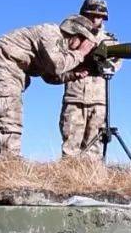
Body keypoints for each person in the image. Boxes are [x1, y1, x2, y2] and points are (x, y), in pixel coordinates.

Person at [0, 17, 98, 156]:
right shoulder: (50, 33)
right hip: (1, 71)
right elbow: (56, 66)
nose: (82, 46)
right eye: (83, 41)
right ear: (75, 34)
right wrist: (81, 53)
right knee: (10, 125)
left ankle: (9, 163)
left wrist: (74, 74)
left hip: (5, 73)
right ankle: (9, 167)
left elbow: (49, 76)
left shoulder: (58, 45)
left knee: (11, 124)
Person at [52, 14, 122, 158]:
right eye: (91, 15)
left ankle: (91, 178)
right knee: (70, 144)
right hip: (74, 97)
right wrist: (80, 54)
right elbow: (60, 61)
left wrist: (101, 59)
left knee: (94, 147)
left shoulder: (109, 40)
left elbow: (115, 66)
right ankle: (68, 177)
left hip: (98, 100)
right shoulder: (70, 33)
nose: (95, 19)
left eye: (99, 16)